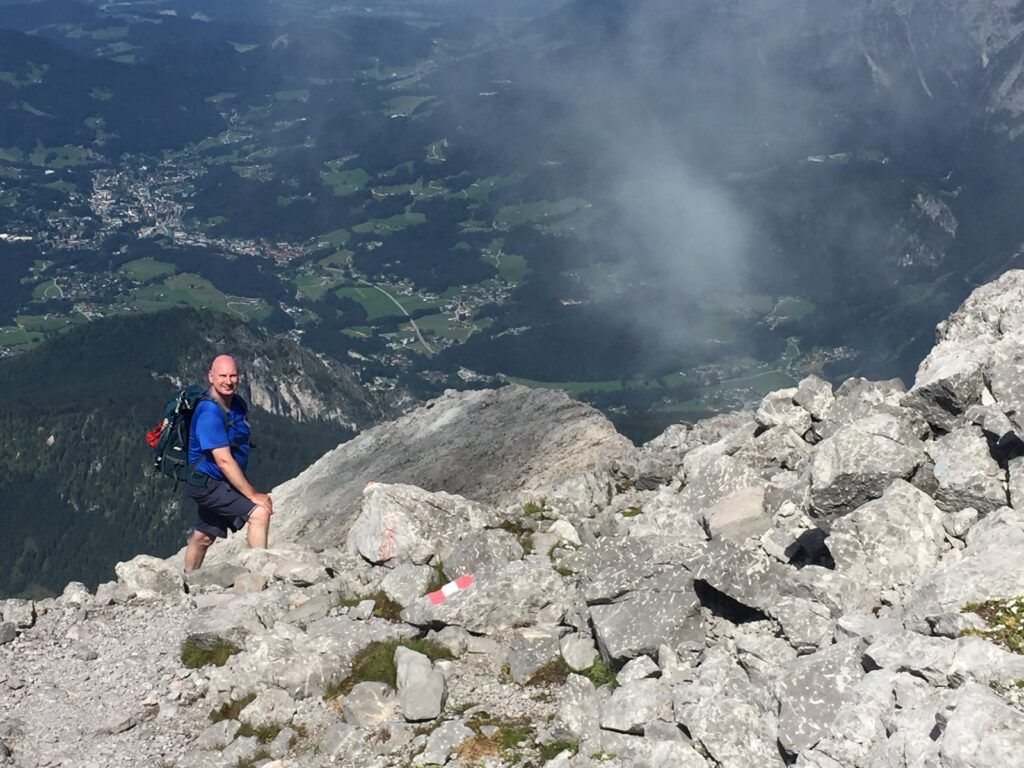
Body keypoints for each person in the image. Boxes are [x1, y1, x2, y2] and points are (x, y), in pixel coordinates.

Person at [183, 354, 273, 571]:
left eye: (233, 375)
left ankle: (186, 581)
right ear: (211, 377)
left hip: (218, 480)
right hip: (207, 482)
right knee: (259, 513)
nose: (228, 381)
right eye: (222, 376)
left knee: (204, 537)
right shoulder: (209, 413)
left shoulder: (237, 404)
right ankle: (258, 577)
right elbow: (223, 460)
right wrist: (252, 495)